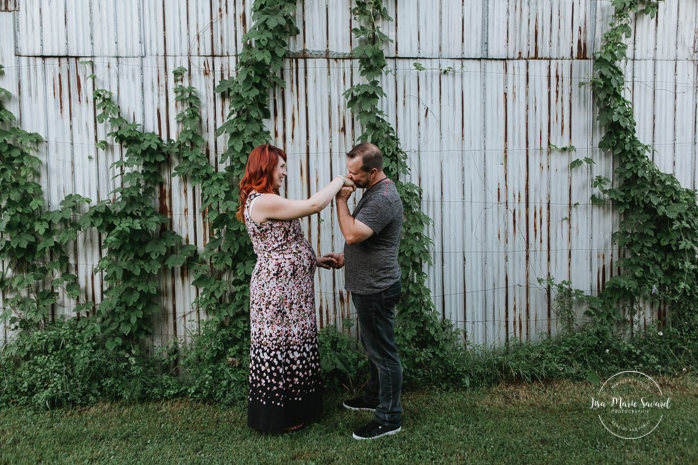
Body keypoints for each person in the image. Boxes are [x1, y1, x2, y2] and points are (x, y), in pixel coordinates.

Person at [237, 144, 355, 432]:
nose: (285, 172)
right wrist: (339, 180)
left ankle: (298, 410)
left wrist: (313, 259)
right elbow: (314, 206)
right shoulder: (261, 201)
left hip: (294, 288)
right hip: (277, 290)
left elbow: (281, 246)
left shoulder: (270, 199)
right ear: (265, 168)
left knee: (295, 344)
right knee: (280, 347)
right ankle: (279, 418)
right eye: (281, 167)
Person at [323, 142, 404, 440]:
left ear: (372, 172)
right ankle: (373, 397)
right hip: (370, 285)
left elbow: (353, 233)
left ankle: (389, 418)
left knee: (384, 354)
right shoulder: (373, 191)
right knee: (373, 348)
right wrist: (347, 258)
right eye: (348, 170)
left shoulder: (382, 198)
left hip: (377, 289)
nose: (349, 177)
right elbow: (371, 239)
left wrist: (340, 201)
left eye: (354, 173)